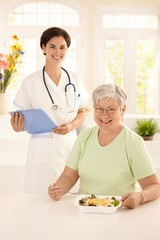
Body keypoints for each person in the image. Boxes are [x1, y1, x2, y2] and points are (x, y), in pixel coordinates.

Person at [48, 83, 160, 209]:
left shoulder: (133, 142)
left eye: (111, 109)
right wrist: (59, 189)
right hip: (86, 209)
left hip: (120, 211)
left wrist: (139, 197)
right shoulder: (85, 136)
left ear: (122, 110)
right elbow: (69, 175)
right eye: (99, 108)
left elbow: (155, 186)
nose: (104, 115)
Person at [10, 27, 89, 193]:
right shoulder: (30, 82)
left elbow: (83, 111)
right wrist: (18, 127)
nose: (57, 52)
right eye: (52, 46)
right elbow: (19, 120)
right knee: (39, 196)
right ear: (43, 48)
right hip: (41, 148)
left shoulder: (74, 79)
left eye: (62, 47)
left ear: (67, 49)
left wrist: (71, 126)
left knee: (70, 197)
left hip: (69, 145)